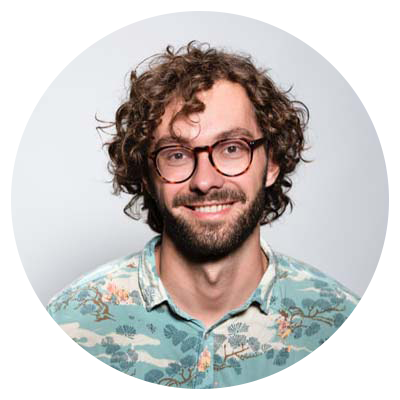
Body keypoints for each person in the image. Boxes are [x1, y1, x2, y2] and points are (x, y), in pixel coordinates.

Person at [31, 41, 376, 390]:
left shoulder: (342, 325)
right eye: (176, 154)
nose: (205, 181)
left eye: (232, 148)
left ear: (272, 162)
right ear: (147, 176)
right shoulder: (72, 321)